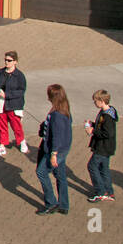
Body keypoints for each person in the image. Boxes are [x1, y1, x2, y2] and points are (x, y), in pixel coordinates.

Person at [36, 84, 73, 216]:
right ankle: (64, 204)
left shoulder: (57, 115)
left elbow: (57, 136)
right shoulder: (64, 109)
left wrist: (53, 154)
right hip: (63, 149)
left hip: (55, 150)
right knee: (60, 175)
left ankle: (51, 203)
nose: (48, 98)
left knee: (41, 172)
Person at [85, 89, 119, 202]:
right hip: (106, 147)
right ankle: (109, 192)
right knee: (104, 169)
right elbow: (102, 127)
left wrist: (93, 131)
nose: (95, 103)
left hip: (103, 147)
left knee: (92, 166)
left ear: (102, 100)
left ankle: (100, 192)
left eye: (95, 101)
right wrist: (93, 124)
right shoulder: (108, 111)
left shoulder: (107, 116)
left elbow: (107, 133)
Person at [0, 51, 28, 156]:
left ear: (15, 62)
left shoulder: (19, 76)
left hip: (14, 105)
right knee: (1, 124)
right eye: (5, 60)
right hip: (1, 104)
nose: (6, 62)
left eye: (9, 60)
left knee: (16, 125)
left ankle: (21, 141)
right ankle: (2, 145)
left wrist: (6, 94)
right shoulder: (0, 73)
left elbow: (21, 91)